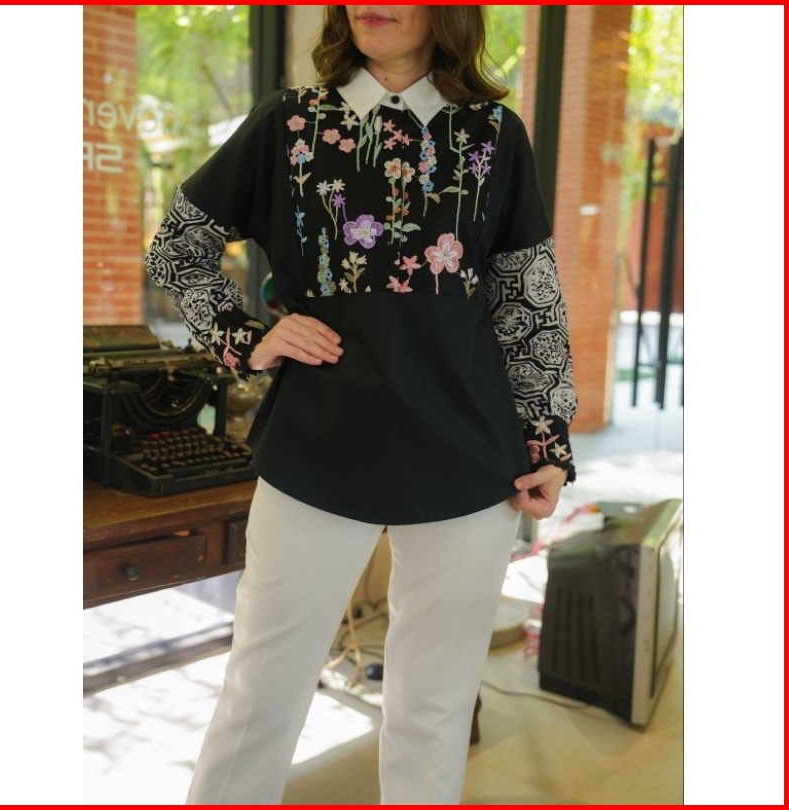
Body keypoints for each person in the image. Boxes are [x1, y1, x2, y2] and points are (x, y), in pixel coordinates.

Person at [145, 5, 577, 804]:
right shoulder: (289, 123)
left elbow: (527, 298)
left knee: (435, 708)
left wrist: (547, 440)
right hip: (316, 446)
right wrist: (246, 338)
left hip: (469, 456)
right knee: (262, 692)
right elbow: (179, 246)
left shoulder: (493, 133)